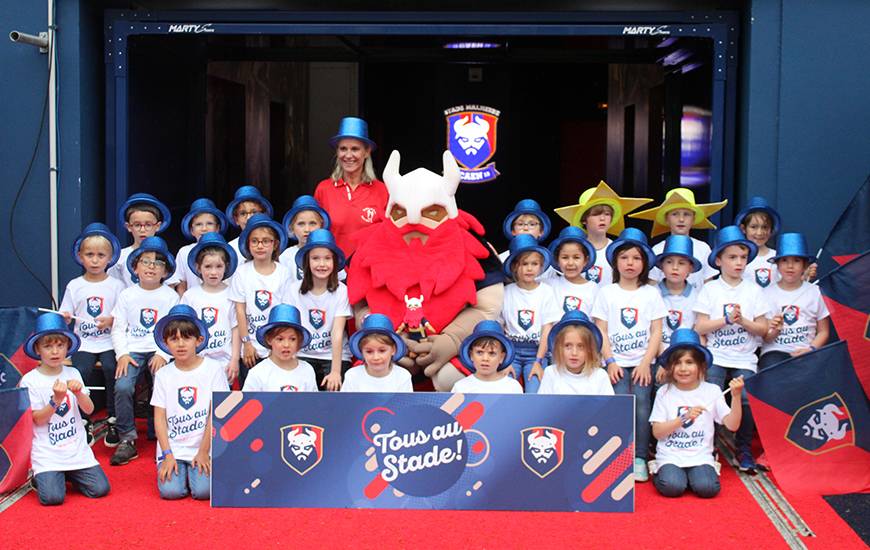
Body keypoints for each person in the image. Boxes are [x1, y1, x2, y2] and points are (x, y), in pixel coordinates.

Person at [591, 228, 666, 481]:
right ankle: (618, 456)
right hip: (616, 364)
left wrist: (646, 363)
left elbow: (657, 331)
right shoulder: (606, 293)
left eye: (636, 258)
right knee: (619, 407)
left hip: (643, 363)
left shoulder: (651, 293)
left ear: (644, 263)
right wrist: (610, 361)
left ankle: (640, 457)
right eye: (624, 258)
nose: (630, 263)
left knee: (643, 408)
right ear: (615, 262)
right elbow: (601, 329)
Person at [693, 225, 770, 473]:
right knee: (712, 394)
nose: (739, 263)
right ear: (718, 260)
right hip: (716, 355)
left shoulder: (754, 290)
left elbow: (763, 329)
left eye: (743, 257)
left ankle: (743, 449)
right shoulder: (710, 289)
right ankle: (710, 447)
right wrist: (726, 320)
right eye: (732, 257)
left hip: (745, 358)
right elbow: (700, 326)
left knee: (746, 399)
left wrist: (743, 321)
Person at [19, 312, 110, 505]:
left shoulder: (73, 372)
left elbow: (89, 409)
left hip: (76, 450)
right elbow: (38, 419)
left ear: (68, 347)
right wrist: (55, 401)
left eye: (60, 345)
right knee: (52, 498)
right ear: (37, 349)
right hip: (47, 452)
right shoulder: (30, 379)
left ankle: (69, 474)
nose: (54, 352)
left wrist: (79, 394)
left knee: (100, 489)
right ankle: (45, 475)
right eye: (48, 346)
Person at [109, 236, 179, 466]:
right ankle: (127, 438)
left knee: (164, 381)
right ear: (135, 267)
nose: (151, 267)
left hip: (160, 349)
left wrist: (164, 354)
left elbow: (173, 329)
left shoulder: (170, 296)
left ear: (166, 271)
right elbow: (119, 327)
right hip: (133, 350)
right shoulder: (127, 295)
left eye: (158, 263)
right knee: (123, 385)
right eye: (146, 261)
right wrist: (122, 355)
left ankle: (162, 432)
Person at [649, 328, 744, 498]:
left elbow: (733, 425)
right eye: (677, 363)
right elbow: (657, 432)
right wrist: (684, 418)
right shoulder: (664, 392)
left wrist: (736, 397)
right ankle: (661, 471)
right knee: (672, 487)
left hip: (700, 456)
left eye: (689, 362)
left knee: (707, 488)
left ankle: (694, 475)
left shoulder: (712, 391)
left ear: (700, 366)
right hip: (671, 456)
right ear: (670, 367)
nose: (683, 368)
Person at [151, 305, 229, 500]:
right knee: (171, 492)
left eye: (186, 338)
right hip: (174, 447)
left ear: (199, 340)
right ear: (165, 343)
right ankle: (181, 473)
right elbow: (159, 418)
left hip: (203, 446)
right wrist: (167, 454)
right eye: (174, 339)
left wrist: (203, 451)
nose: (181, 344)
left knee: (204, 491)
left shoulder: (213, 369)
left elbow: (217, 412)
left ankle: (192, 473)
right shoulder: (163, 375)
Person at [59, 223, 125, 447]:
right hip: (84, 342)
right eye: (89, 255)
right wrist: (66, 316)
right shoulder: (75, 285)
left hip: (109, 341)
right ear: (80, 257)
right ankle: (83, 420)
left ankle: (113, 418)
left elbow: (123, 314)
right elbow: (65, 313)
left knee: (111, 369)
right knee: (82, 372)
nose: (95, 260)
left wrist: (111, 320)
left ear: (110, 258)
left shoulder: (116, 285)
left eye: (100, 255)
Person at [229, 213, 291, 385]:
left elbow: (284, 311)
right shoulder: (242, 272)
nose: (260, 246)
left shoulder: (283, 272)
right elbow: (240, 310)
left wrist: (275, 345)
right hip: (250, 348)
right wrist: (246, 343)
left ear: (275, 244)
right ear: (248, 245)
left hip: (276, 346)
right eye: (254, 241)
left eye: (266, 241)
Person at [314, 117, 389, 257]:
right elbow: (315, 234)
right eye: (343, 149)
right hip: (332, 271)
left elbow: (390, 236)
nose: (348, 155)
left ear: (366, 152)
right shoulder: (323, 189)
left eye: (355, 149)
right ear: (337, 152)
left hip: (369, 270)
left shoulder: (382, 190)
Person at [288, 229, 352, 391]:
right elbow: (290, 329)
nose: (322, 264)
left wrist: (335, 372)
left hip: (334, 357)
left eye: (327, 258)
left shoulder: (341, 291)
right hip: (302, 355)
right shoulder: (293, 290)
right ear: (307, 262)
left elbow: (337, 333)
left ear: (335, 262)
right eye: (315, 258)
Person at [554, 180, 652, 285]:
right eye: (596, 214)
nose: (602, 218)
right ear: (583, 220)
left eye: (607, 214)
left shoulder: (617, 250)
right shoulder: (573, 250)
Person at [630, 188, 727, 290]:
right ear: (667, 219)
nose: (681, 219)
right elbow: (652, 285)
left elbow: (708, 284)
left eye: (687, 214)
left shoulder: (703, 248)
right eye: (675, 214)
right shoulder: (658, 249)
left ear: (694, 219)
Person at [499, 234, 562, 394]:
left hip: (537, 351)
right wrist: (504, 360)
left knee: (535, 391)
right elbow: (501, 326)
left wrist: (539, 361)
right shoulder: (506, 292)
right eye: (524, 264)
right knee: (505, 389)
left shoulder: (546, 292)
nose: (529, 268)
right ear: (514, 267)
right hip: (511, 352)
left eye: (534, 264)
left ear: (541, 267)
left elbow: (547, 329)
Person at [761, 233, 830, 370]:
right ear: (777, 264)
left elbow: (824, 331)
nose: (790, 266)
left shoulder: (815, 292)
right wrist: (774, 329)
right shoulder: (766, 294)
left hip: (806, 351)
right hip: (774, 352)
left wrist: (811, 349)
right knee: (773, 368)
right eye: (784, 260)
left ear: (805, 266)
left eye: (797, 261)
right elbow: (765, 338)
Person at [180, 232, 240, 383]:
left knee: (222, 404)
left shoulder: (232, 294)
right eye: (208, 266)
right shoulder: (190, 296)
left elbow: (236, 328)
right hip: (197, 361)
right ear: (198, 267)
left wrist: (234, 359)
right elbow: (184, 329)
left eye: (218, 266)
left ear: (226, 267)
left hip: (224, 362)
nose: (213, 272)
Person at [654, 235, 701, 382]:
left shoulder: (698, 296)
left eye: (681, 263)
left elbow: (696, 330)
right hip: (658, 354)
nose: (675, 267)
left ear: (690, 268)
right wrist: (664, 360)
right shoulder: (652, 294)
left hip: (685, 357)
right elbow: (652, 331)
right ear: (661, 266)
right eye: (669, 262)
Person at [242, 304, 317, 392]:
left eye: (292, 339)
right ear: (269, 339)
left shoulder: (307, 370)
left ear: (299, 341)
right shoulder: (257, 373)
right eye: (280, 339)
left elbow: (313, 403)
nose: (286, 345)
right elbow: (248, 404)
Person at [538, 311, 613, 396]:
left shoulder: (600, 376)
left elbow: (609, 408)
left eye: (581, 346)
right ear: (559, 348)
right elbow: (543, 407)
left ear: (590, 349)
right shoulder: (551, 373)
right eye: (568, 346)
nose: (574, 353)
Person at [109, 193, 171, 288]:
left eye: (148, 225)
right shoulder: (120, 257)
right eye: (137, 225)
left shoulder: (164, 256)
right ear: (128, 226)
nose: (142, 230)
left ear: (158, 226)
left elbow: (170, 288)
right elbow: (113, 287)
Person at [168, 198, 229, 296]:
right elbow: (181, 283)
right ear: (192, 230)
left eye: (209, 223)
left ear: (217, 228)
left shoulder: (227, 251)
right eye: (198, 224)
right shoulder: (184, 252)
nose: (204, 229)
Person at [342, 313, 413, 392]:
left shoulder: (402, 376)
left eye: (382, 351)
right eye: (369, 351)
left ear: (393, 350)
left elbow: (405, 403)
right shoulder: (352, 376)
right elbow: (346, 403)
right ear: (361, 351)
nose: (376, 357)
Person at [452, 320, 522, 394]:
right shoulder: (461, 387)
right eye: (479, 352)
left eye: (492, 353)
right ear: (471, 355)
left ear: (501, 357)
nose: (485, 359)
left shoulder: (512, 388)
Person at [497, 199, 556, 281]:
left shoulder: (549, 263)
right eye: (520, 224)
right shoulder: (500, 260)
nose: (525, 228)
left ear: (541, 231)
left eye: (532, 224)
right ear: (513, 230)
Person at [547, 226, 599, 316]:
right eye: (565, 257)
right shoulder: (549, 285)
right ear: (557, 260)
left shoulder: (593, 289)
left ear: (585, 260)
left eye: (576, 257)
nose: (570, 263)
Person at [279, 195, 331, 281]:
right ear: (292, 227)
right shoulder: (286, 256)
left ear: (321, 225)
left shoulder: (328, 252)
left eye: (312, 223)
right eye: (301, 224)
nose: (307, 229)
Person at [735, 196, 782, 289]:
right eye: (753, 227)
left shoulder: (778, 257)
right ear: (743, 228)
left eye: (765, 227)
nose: (759, 233)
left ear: (771, 230)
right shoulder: (738, 257)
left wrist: (804, 275)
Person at [224, 185, 274, 264]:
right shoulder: (230, 248)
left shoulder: (271, 243)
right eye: (243, 213)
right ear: (236, 219)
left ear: (264, 215)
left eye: (254, 212)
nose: (249, 218)